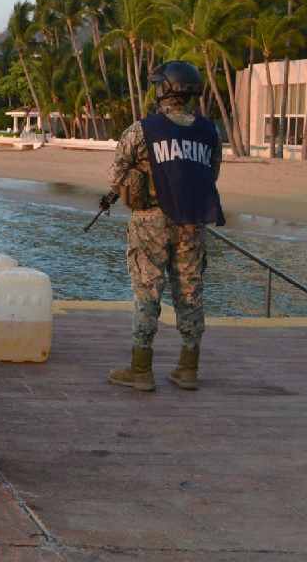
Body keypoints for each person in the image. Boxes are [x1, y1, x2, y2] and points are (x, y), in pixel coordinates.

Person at [101, 61, 223, 392]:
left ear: (166, 89)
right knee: (190, 293)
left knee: (147, 292)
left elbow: (116, 175)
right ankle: (188, 368)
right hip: (192, 221)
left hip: (150, 223)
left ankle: (140, 369)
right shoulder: (210, 132)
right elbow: (211, 175)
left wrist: (138, 182)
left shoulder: (142, 130)